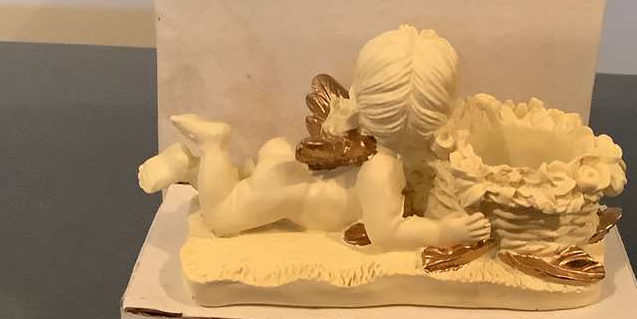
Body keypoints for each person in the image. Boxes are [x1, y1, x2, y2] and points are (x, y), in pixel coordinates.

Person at [137, 25, 491, 250]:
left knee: (243, 188)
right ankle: (212, 147)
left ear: (361, 92)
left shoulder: (364, 131)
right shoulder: (384, 168)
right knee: (222, 216)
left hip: (292, 174)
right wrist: (443, 233)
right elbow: (387, 233)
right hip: (295, 197)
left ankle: (192, 166)